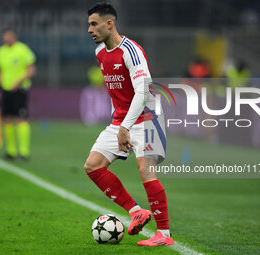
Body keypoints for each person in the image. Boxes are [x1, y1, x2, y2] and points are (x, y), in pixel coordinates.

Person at [84, 3, 174, 246]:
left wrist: (126, 126)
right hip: (121, 120)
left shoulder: (131, 51)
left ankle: (164, 235)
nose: (89, 29)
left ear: (109, 23)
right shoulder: (100, 52)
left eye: (94, 24)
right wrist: (120, 124)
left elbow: (143, 91)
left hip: (147, 118)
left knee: (146, 171)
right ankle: (135, 211)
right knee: (93, 166)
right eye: (89, 24)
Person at [0, 28, 36, 160]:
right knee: (6, 118)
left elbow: (31, 70)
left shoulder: (23, 50)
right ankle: (10, 151)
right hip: (6, 90)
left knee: (20, 118)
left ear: (14, 36)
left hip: (20, 90)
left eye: (9, 36)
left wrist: (19, 81)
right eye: (5, 36)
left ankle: (24, 152)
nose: (7, 38)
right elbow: (0, 71)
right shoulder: (0, 52)